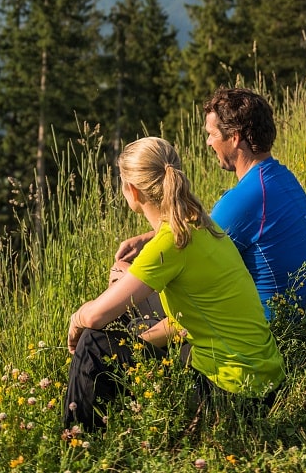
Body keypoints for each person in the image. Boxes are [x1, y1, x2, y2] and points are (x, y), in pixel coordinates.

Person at [64, 136, 285, 432]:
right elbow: (187, 318)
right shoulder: (200, 224)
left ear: (132, 191)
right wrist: (140, 336)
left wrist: (76, 319)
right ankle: (119, 415)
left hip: (233, 394)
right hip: (264, 384)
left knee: (95, 341)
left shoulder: (170, 243)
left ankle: (77, 442)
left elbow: (93, 317)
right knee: (125, 313)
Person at [116, 87, 306, 320]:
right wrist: (146, 239)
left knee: (121, 279)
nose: (208, 142)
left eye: (212, 134)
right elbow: (205, 229)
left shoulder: (244, 199)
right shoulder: (279, 178)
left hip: (267, 329)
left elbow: (189, 258)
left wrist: (127, 273)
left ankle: (142, 349)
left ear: (234, 138)